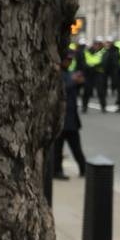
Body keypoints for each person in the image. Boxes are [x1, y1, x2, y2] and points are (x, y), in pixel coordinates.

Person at [53, 51, 86, 180]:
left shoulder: (69, 73)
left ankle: (84, 169)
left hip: (72, 119)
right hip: (61, 118)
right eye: (67, 60)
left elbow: (76, 88)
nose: (69, 62)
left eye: (71, 60)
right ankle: (57, 170)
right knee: (57, 149)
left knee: (76, 148)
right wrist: (73, 82)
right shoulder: (58, 74)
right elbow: (61, 89)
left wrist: (79, 82)